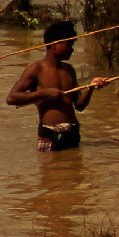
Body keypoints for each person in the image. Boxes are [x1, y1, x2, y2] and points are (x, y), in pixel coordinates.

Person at [6, 19, 109, 151]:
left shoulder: (69, 70)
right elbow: (11, 98)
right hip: (49, 133)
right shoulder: (36, 69)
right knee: (49, 170)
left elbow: (79, 106)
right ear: (54, 45)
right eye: (69, 45)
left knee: (74, 168)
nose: (71, 49)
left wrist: (91, 88)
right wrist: (44, 94)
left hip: (72, 131)